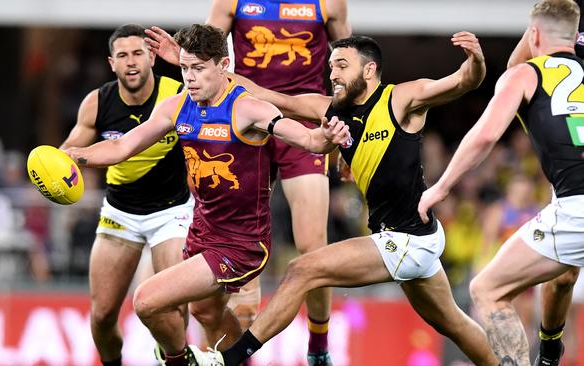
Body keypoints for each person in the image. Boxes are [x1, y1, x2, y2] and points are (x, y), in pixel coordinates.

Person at [187, 31, 500, 366]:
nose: (333, 74)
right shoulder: (330, 110)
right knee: (453, 323)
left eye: (341, 65)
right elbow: (269, 96)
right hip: (410, 237)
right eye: (331, 66)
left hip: (407, 239)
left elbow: (464, 81)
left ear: (369, 70)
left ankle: (229, 359)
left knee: (302, 269)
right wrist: (205, 69)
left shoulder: (402, 98)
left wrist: (476, 61)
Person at [64, 23, 350, 366]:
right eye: (185, 68)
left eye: (198, 69)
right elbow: (122, 147)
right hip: (202, 233)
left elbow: (308, 140)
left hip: (241, 244)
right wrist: (73, 156)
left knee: (146, 300)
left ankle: (178, 360)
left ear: (223, 66)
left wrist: (329, 136)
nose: (190, 78)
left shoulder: (249, 109)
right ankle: (234, 361)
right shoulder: (176, 107)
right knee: (205, 311)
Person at [148, 3, 351, 363]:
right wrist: (180, 57)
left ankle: (318, 346)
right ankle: (232, 354)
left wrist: (352, 143)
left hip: (298, 121)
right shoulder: (232, 2)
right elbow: (207, 47)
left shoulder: (327, 4)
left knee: (312, 247)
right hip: (241, 118)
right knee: (220, 295)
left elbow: (350, 71)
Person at [417, 0, 584, 364]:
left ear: (534, 34)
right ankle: (551, 349)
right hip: (568, 211)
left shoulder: (524, 75)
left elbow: (484, 136)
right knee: (563, 273)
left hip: (577, 208)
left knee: (487, 288)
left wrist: (441, 187)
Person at [59, 24, 194, 366]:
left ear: (151, 57)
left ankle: (176, 360)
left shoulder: (178, 94)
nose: (131, 62)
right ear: (111, 63)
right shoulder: (97, 102)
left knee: (173, 307)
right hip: (120, 212)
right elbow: (67, 156)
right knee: (102, 316)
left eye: (137, 53)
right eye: (122, 56)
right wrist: (50, 174)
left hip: (172, 213)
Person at [506, 1, 584, 363]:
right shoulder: (563, 8)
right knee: (563, 277)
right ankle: (550, 348)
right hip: (572, 160)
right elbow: (516, 69)